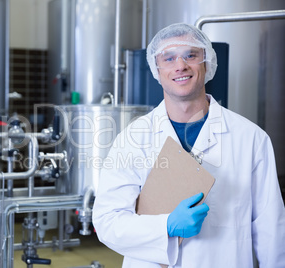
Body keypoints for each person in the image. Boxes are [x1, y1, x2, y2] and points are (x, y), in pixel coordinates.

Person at [92, 23, 285, 267]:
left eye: (190, 55)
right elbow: (107, 222)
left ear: (207, 62)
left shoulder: (251, 139)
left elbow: (272, 232)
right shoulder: (133, 139)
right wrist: (166, 226)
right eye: (169, 58)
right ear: (157, 69)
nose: (180, 66)